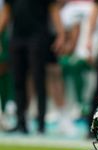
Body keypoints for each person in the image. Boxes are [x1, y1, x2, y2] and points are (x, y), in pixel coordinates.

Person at [0, 0, 65, 134]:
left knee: (38, 80)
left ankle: (41, 124)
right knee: (18, 81)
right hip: (17, 37)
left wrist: (61, 34)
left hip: (38, 36)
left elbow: (53, 10)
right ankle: (20, 122)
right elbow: (6, 11)